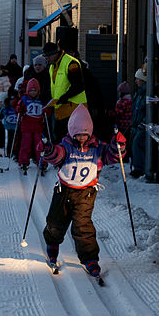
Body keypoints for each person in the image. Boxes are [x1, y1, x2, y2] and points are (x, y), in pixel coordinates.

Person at [42, 103, 126, 278]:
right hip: (64, 190)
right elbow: (55, 155)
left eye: (85, 135)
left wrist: (119, 145)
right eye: (78, 135)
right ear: (72, 133)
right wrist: (47, 149)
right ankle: (52, 246)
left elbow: (113, 156)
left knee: (83, 226)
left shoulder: (97, 147)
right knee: (56, 222)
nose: (81, 138)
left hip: (86, 193)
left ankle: (90, 258)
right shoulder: (66, 147)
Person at [42, 40, 87, 141]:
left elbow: (78, 86)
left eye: (48, 56)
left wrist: (63, 98)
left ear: (55, 54)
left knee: (69, 137)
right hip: (60, 107)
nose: (46, 59)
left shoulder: (71, 63)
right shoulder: (52, 66)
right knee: (59, 136)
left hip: (74, 107)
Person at [16, 77, 46, 173]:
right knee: (26, 145)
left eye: (35, 91)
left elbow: (46, 110)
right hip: (27, 127)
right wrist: (19, 110)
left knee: (39, 145)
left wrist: (46, 111)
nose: (33, 92)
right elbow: (18, 108)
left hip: (38, 127)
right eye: (31, 90)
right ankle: (23, 161)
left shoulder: (41, 99)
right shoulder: (24, 99)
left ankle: (42, 162)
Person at [129, 67, 147, 178]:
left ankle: (139, 168)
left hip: (141, 125)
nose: (136, 81)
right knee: (134, 144)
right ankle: (137, 166)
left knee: (137, 144)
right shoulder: (139, 94)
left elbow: (147, 111)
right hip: (137, 124)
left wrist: (142, 123)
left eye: (137, 79)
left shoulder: (143, 94)